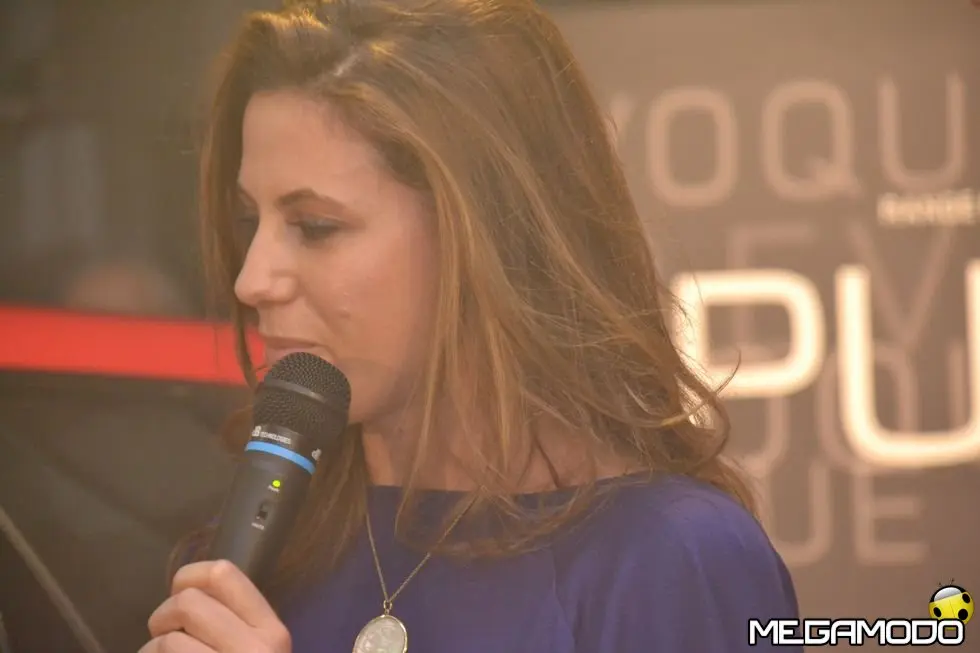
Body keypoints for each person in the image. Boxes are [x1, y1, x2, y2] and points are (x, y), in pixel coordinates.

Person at [141, 0, 801, 651]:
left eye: (316, 227)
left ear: (486, 236)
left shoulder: (670, 560)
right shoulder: (250, 563)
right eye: (250, 220)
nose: (252, 279)